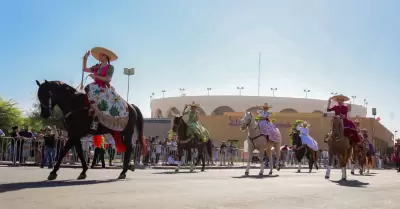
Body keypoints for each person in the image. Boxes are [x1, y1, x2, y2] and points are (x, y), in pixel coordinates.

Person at [82, 47, 129, 132]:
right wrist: (85, 58)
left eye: (102, 55)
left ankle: (96, 120)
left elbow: (108, 79)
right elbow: (84, 69)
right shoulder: (97, 66)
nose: (100, 56)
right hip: (95, 86)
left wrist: (96, 76)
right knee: (86, 91)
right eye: (99, 55)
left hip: (104, 87)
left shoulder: (110, 67)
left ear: (106, 57)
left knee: (101, 101)